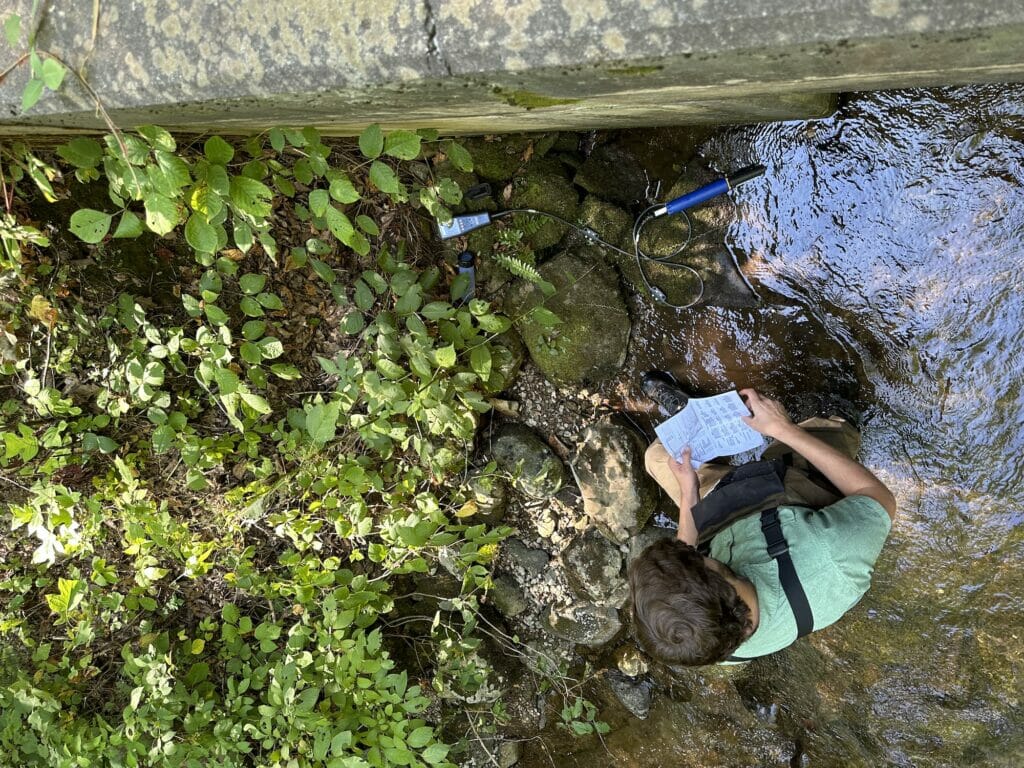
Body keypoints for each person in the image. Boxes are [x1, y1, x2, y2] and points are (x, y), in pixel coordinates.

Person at [629, 375, 896, 666]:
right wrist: (785, 429)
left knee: (659, 456)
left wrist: (689, 494)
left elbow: (688, 561)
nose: (688, 547)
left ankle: (694, 419)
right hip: (797, 489)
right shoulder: (832, 556)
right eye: (696, 559)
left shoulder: (705, 642)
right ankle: (822, 421)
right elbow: (877, 496)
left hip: (725, 511)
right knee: (834, 410)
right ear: (722, 581)